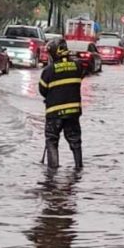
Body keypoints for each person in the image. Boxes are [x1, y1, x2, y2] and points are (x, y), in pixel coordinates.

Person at [39, 38, 84, 169]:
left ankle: (52, 172)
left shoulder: (48, 71)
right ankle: (78, 168)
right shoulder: (77, 66)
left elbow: (43, 91)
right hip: (73, 113)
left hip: (54, 114)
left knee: (52, 141)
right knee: (75, 141)